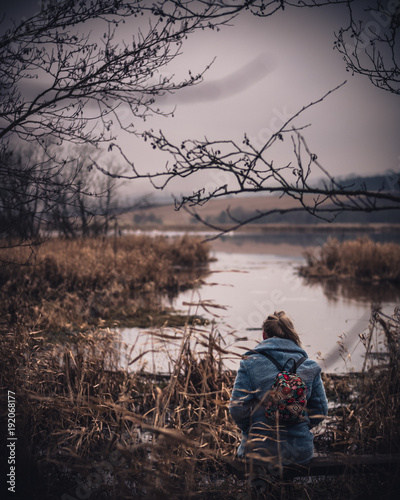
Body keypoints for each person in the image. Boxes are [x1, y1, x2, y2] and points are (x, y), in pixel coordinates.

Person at [229, 311, 328, 466]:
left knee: (260, 484)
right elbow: (320, 410)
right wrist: (299, 424)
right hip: (299, 451)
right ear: (291, 335)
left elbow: (237, 409)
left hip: (259, 451)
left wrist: (250, 430)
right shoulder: (310, 366)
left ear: (264, 335)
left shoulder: (250, 363)